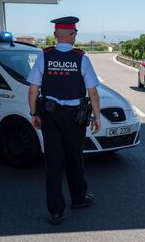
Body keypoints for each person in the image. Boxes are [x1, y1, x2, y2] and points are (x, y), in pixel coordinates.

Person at [27, 16, 101, 225]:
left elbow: (33, 90)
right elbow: (93, 93)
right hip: (74, 118)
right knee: (74, 158)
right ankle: (78, 198)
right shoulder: (82, 59)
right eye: (75, 33)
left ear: (55, 36)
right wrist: (96, 117)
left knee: (53, 162)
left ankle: (56, 211)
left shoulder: (44, 56)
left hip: (50, 116)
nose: (75, 36)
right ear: (71, 35)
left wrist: (34, 114)